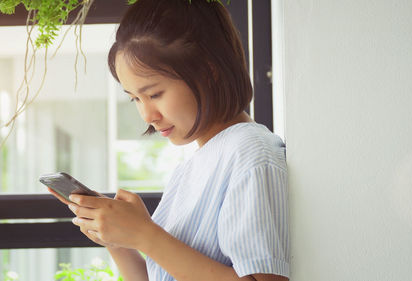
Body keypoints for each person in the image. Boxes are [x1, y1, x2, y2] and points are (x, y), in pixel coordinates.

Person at [48, 0, 289, 280]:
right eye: (134, 98)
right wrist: (118, 240)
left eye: (154, 94)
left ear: (208, 73)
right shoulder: (192, 165)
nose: (146, 114)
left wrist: (145, 234)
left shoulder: (251, 153)